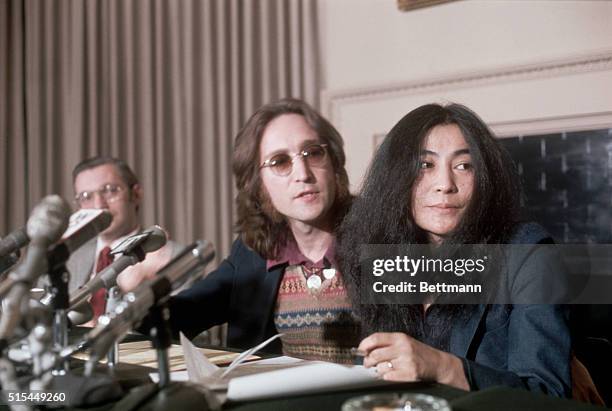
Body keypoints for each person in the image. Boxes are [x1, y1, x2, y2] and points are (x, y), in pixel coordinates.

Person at [337, 103, 572, 396]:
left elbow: (547, 395)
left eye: (464, 166)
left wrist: (442, 366)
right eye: (425, 165)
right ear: (396, 177)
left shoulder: (528, 253)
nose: (445, 184)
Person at [166, 98, 359, 362]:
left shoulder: (384, 236)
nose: (302, 173)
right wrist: (143, 291)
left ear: (334, 164)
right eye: (279, 161)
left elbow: (430, 337)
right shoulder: (251, 254)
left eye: (313, 153)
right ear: (258, 185)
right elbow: (178, 318)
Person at [68, 157, 181, 324]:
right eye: (86, 197)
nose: (99, 205)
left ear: (136, 194)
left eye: (110, 190)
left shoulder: (174, 258)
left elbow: (193, 337)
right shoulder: (67, 259)